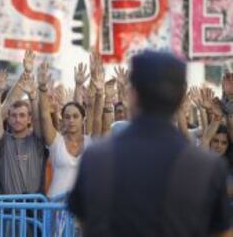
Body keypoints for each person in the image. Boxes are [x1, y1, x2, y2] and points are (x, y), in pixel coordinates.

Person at [68, 51, 232, 237]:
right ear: (180, 98)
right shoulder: (207, 167)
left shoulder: (96, 158)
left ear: (132, 95)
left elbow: (84, 221)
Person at [38, 62, 92, 198]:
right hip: (56, 207)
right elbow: (44, 115)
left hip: (82, 208)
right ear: (63, 120)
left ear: (83, 120)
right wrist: (43, 88)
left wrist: (80, 87)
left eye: (75, 117)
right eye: (67, 117)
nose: (71, 120)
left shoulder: (91, 142)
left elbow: (97, 118)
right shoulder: (56, 141)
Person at [0, 65, 46, 195]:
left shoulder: (37, 140)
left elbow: (38, 120)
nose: (17, 119)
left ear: (29, 119)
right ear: (8, 119)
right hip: (8, 211)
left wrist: (32, 97)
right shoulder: (3, 141)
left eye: (22, 115)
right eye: (14, 115)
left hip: (35, 208)